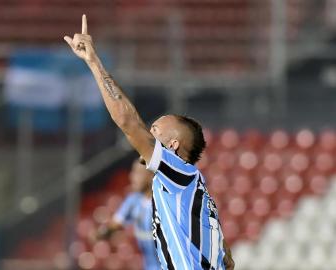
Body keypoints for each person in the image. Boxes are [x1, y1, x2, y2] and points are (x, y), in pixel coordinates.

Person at [64, 15, 235, 270]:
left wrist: (94, 62)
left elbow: (127, 121)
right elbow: (226, 258)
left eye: (155, 129)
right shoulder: (193, 187)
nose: (149, 133)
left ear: (173, 145)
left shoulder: (178, 172)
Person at [96, 158, 159, 270]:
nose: (132, 176)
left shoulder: (163, 203)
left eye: (138, 173)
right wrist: (103, 232)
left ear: (151, 175)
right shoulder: (133, 201)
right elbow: (115, 224)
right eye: (132, 172)